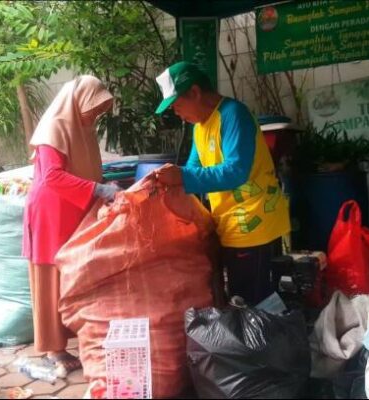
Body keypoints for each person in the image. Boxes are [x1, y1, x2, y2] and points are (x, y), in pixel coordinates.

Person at [153, 61, 290, 305]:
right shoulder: (200, 127)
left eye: (176, 105)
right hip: (230, 222)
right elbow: (193, 168)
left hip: (254, 221)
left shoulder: (233, 115)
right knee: (241, 297)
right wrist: (172, 181)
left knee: (252, 301)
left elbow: (236, 171)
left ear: (195, 92)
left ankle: (274, 329)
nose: (176, 113)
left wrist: (182, 177)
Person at [22, 76, 120, 374]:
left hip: (75, 209)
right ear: (78, 102)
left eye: (99, 112)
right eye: (93, 109)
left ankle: (77, 334)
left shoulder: (82, 129)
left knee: (74, 271)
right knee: (50, 275)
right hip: (50, 212)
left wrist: (106, 185)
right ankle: (53, 348)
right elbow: (52, 176)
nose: (95, 116)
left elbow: (85, 169)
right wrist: (99, 190)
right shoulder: (54, 128)